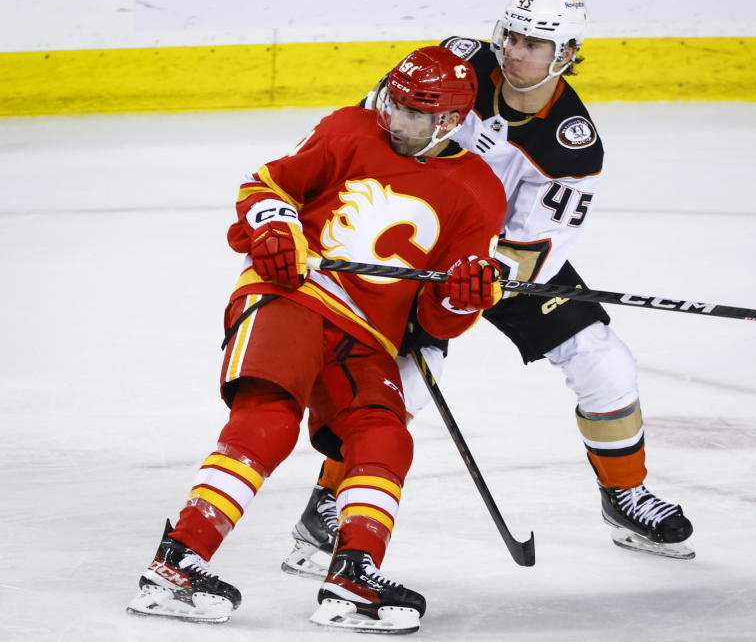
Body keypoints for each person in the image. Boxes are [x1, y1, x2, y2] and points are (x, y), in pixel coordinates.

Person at [281, 0, 694, 583]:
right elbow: (373, 127)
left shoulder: (569, 143)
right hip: (407, 231)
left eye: (535, 43)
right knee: (409, 382)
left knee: (603, 360)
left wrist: (477, 275)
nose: (516, 52)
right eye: (513, 37)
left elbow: (531, 251)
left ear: (567, 51)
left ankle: (626, 496)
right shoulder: (453, 66)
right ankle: (327, 505)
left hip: (488, 257)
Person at [125, 45, 506, 634]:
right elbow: (266, 185)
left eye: (412, 112)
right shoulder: (348, 129)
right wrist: (275, 226)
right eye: (394, 101)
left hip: (368, 337)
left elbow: (434, 321)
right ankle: (176, 564)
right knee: (269, 416)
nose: (394, 117)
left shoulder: (478, 190)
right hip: (290, 291)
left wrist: (464, 294)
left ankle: (352, 579)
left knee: (384, 436)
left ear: (449, 122)